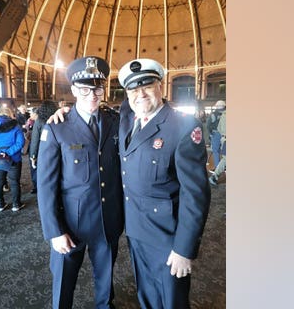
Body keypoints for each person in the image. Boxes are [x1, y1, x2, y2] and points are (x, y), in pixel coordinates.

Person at [50, 58, 212, 308]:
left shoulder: (183, 127)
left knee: (172, 300)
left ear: (161, 86)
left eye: (147, 86)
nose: (140, 94)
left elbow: (196, 195)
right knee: (146, 296)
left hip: (166, 236)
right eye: (133, 90)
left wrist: (184, 249)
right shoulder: (125, 117)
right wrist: (66, 112)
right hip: (135, 232)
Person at [37, 56, 124, 309]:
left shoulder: (116, 122)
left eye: (97, 88)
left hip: (107, 223)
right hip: (70, 226)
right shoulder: (57, 128)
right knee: (63, 286)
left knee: (105, 288)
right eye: (84, 89)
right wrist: (54, 231)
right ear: (74, 90)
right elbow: (45, 186)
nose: (92, 95)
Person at [0, 106, 26, 212]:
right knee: (14, 182)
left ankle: (0, 205)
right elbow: (20, 143)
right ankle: (16, 205)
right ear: (9, 114)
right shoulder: (15, 125)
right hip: (14, 158)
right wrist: (8, 153)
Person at [28, 100, 58, 194]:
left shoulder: (39, 121)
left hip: (43, 150)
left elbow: (35, 140)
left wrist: (33, 155)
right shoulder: (57, 118)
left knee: (40, 171)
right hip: (57, 148)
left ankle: (40, 188)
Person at [209, 109, 226, 186]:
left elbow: (218, 128)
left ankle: (214, 175)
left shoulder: (223, 115)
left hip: (224, 138)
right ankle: (214, 176)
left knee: (225, 158)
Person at [206, 100, 226, 165]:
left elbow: (208, 125)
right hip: (225, 134)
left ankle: (218, 168)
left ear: (216, 106)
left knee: (215, 151)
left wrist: (211, 134)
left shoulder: (213, 114)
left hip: (216, 134)